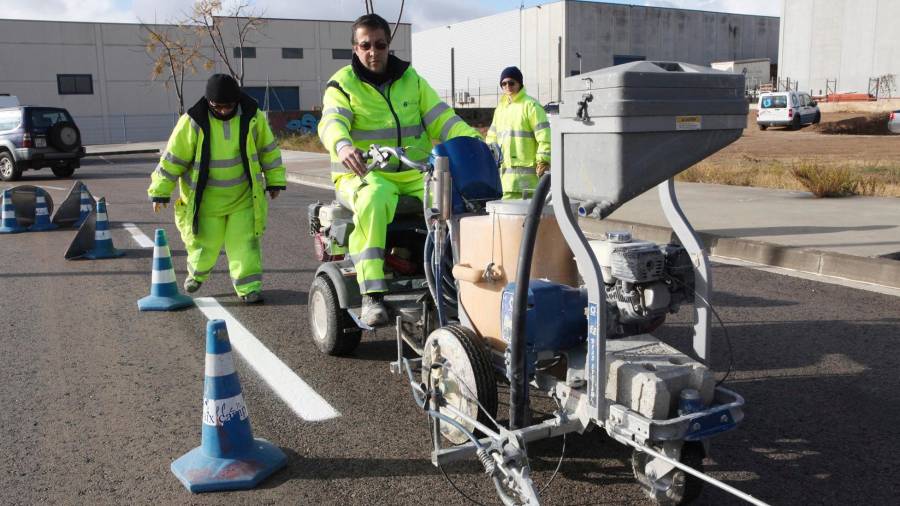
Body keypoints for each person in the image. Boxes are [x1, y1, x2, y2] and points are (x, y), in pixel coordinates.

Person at [318, 13, 481, 326]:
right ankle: (372, 294)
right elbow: (331, 122)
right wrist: (343, 146)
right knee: (374, 199)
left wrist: (475, 142)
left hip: (412, 170)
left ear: (388, 45)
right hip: (363, 173)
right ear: (355, 48)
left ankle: (456, 278)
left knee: (456, 196)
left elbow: (442, 119)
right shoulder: (342, 84)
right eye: (365, 45)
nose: (373, 51)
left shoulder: (411, 79)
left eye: (380, 44)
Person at [148, 74, 286, 304]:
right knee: (203, 245)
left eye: (228, 106)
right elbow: (173, 158)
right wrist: (160, 191)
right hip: (206, 202)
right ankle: (197, 274)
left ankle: (248, 287)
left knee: (245, 244)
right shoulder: (193, 121)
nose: (223, 111)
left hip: (243, 198)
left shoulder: (253, 117)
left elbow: (268, 151)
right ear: (209, 101)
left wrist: (275, 180)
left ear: (237, 101)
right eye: (217, 106)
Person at [484, 66, 551, 199]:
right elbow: (491, 138)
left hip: (527, 184)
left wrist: (543, 160)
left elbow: (545, 136)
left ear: (519, 83)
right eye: (504, 83)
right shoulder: (500, 110)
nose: (507, 86)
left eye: (511, 82)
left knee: (527, 218)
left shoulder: (530, 106)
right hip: (504, 183)